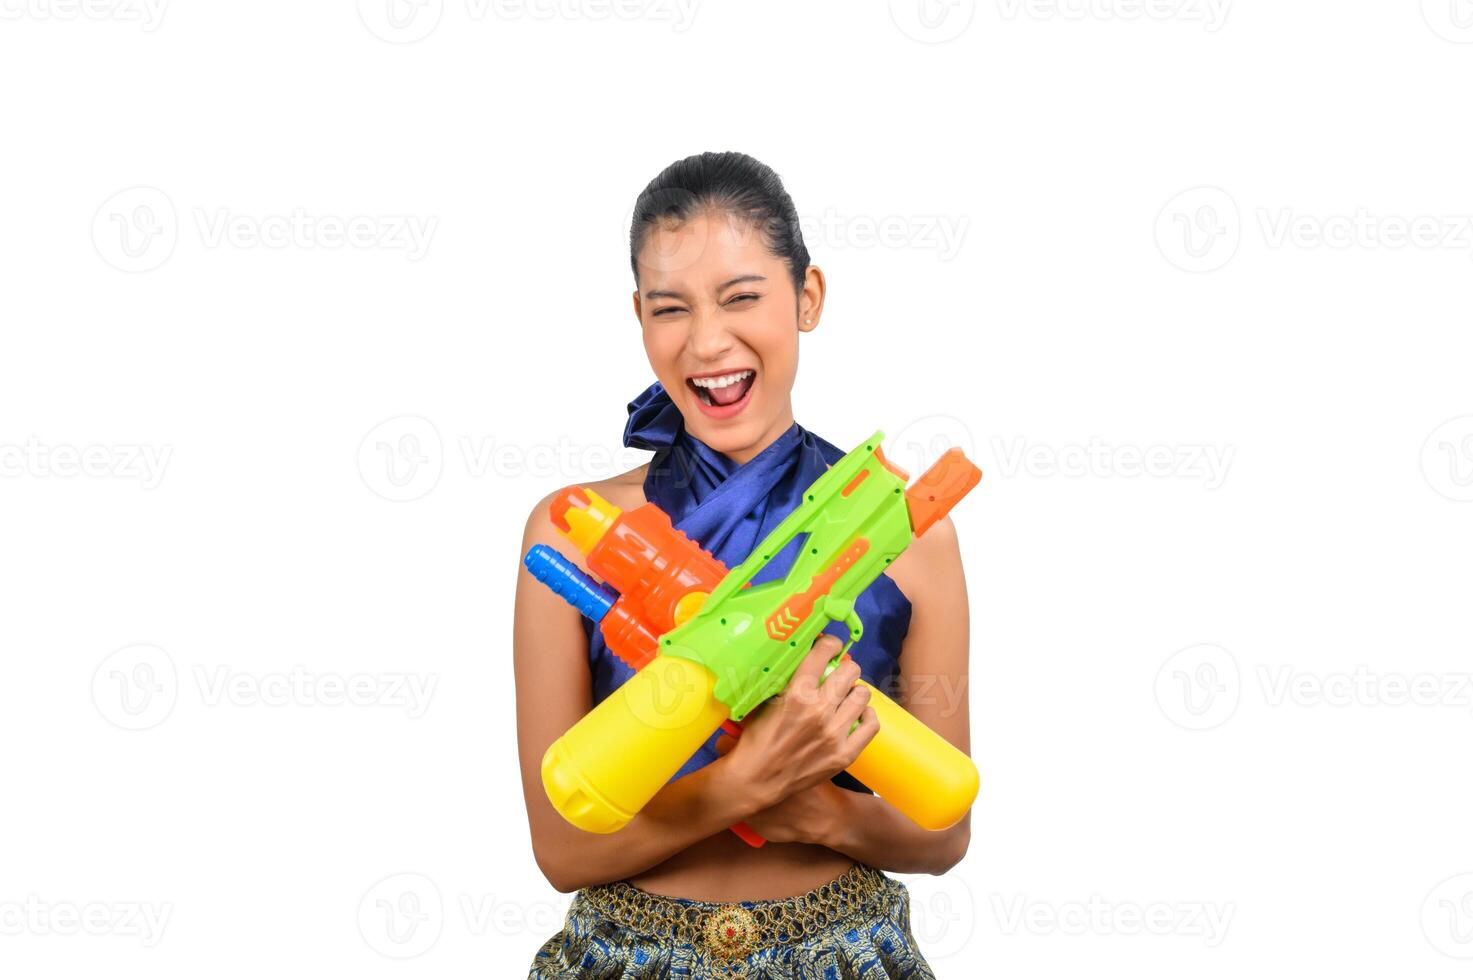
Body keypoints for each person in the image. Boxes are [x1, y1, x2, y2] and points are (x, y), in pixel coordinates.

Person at [516, 150, 972, 978]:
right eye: (669, 309)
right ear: (638, 318)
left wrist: (818, 809)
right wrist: (740, 786)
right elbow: (560, 850)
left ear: (807, 298)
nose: (706, 341)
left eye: (741, 297)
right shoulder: (568, 532)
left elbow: (942, 835)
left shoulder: (907, 536)